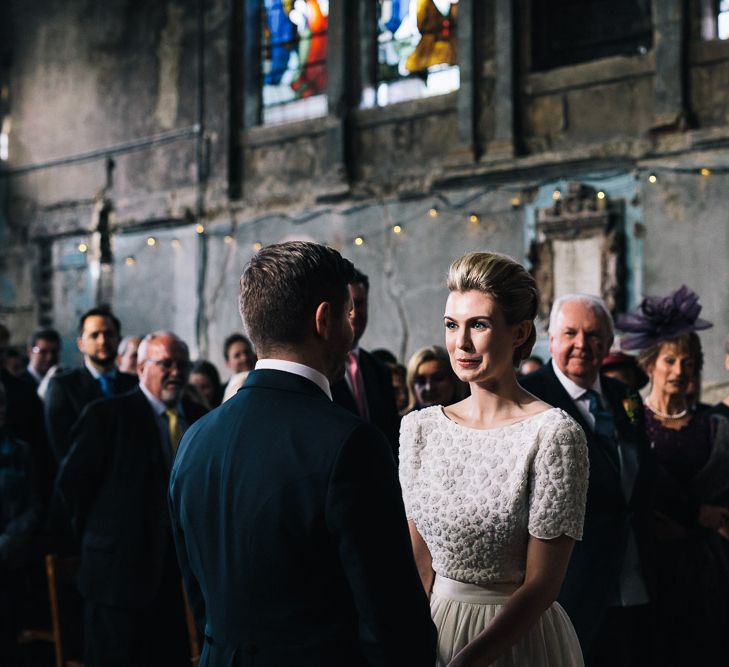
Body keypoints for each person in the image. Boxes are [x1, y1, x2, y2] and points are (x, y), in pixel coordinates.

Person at [170, 241, 437, 666]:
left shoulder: (195, 439)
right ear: (324, 319)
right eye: (348, 314)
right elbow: (391, 618)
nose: (353, 329)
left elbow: (200, 598)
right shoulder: (351, 444)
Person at [400, 251, 588, 667]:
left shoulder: (554, 434)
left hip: (518, 639)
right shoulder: (419, 430)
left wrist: (469, 660)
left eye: (478, 325)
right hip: (433, 629)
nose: (461, 343)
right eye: (452, 325)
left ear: (519, 333)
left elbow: (543, 584)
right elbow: (418, 562)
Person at [55, 331, 206, 666]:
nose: (176, 372)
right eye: (165, 363)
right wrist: (98, 541)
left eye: (182, 364)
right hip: (114, 577)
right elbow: (71, 488)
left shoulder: (199, 416)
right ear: (140, 368)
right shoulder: (106, 415)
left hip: (176, 575)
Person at [520, 294, 655, 666]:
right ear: (552, 341)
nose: (583, 344)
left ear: (609, 344)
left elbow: (641, 480)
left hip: (635, 580)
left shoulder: (624, 396)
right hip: (568, 586)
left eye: (595, 335)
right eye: (571, 333)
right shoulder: (528, 397)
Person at [617, 285, 729, 665]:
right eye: (669, 361)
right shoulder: (630, 423)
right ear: (650, 363)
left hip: (709, 574)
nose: (679, 371)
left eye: (687, 363)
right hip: (648, 569)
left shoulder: (714, 426)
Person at [45, 307, 138, 462]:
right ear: (81, 343)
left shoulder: (134, 384)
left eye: (109, 334)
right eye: (94, 335)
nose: (102, 341)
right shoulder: (62, 386)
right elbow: (61, 446)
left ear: (119, 340)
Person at [331, 268, 401, 453]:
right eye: (348, 304)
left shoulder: (380, 370)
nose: (354, 312)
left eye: (360, 303)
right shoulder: (319, 369)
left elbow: (391, 436)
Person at [0, 379, 41, 664]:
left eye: (1, 402)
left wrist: (6, 543)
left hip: (11, 561)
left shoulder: (20, 450)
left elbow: (33, 505)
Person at [404, 344, 465, 413]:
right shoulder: (403, 422)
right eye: (421, 381)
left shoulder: (470, 418)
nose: (429, 387)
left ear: (453, 380)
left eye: (437, 378)